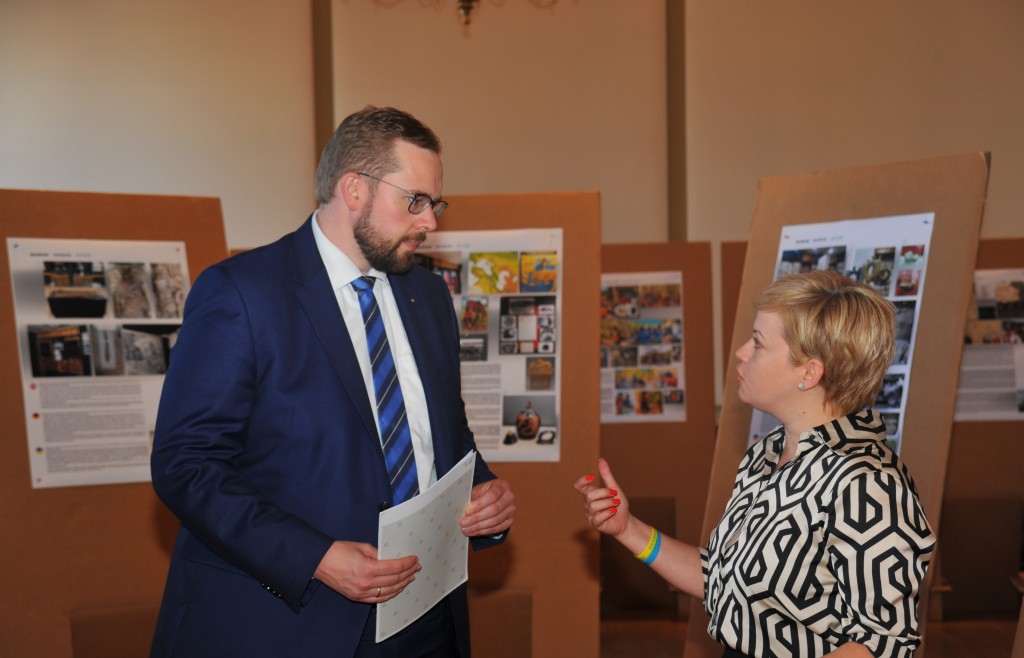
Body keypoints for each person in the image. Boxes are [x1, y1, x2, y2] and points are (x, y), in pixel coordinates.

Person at [150, 106, 515, 658]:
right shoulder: (242, 293)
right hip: (289, 622)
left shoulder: (429, 297)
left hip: (425, 618)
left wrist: (484, 493)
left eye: (435, 204)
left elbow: (444, 436)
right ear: (354, 189)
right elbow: (186, 465)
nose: (430, 223)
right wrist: (315, 557)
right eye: (415, 200)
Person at [576, 271, 935, 657]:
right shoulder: (766, 454)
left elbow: (881, 644)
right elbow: (724, 580)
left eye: (759, 343)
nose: (741, 352)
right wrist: (628, 529)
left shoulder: (869, 483)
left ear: (809, 372)